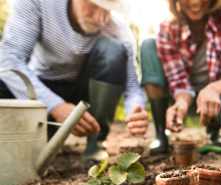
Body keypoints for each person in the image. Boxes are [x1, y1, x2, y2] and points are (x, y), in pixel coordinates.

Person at [0, 0, 149, 163]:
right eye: (93, 5)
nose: (100, 18)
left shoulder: (118, 30)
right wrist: (55, 106)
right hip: (41, 89)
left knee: (112, 49)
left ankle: (96, 142)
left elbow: (132, 88)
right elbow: (9, 60)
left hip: (84, 94)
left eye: (108, 10)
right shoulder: (37, 3)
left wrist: (136, 109)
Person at [140, 0, 221, 155]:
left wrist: (213, 89)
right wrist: (182, 101)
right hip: (183, 98)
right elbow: (178, 81)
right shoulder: (167, 27)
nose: (195, 1)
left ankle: (214, 130)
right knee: (148, 44)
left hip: (220, 98)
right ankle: (160, 132)